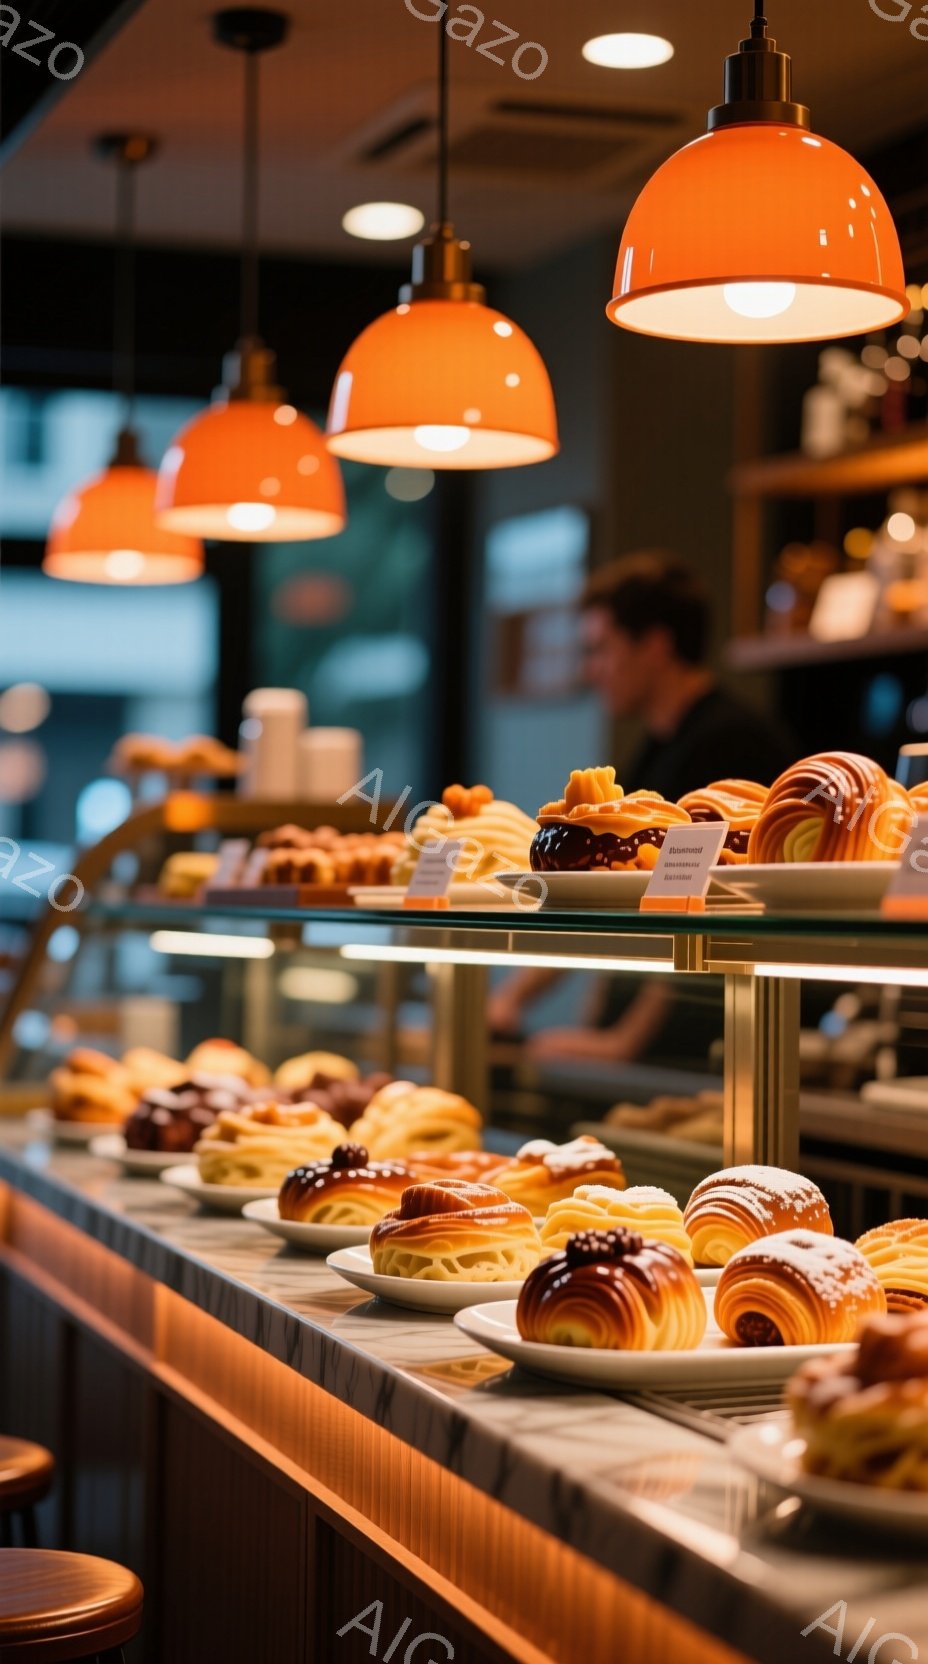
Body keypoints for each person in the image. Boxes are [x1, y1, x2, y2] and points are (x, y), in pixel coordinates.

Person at [489, 550, 791, 1063]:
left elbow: (712, 913)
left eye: (601, 650)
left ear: (655, 645)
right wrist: (511, 999)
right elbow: (598, 890)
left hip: (706, 1045)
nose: (590, 670)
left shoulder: (733, 746)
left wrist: (623, 1042)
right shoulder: (657, 748)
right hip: (648, 1042)